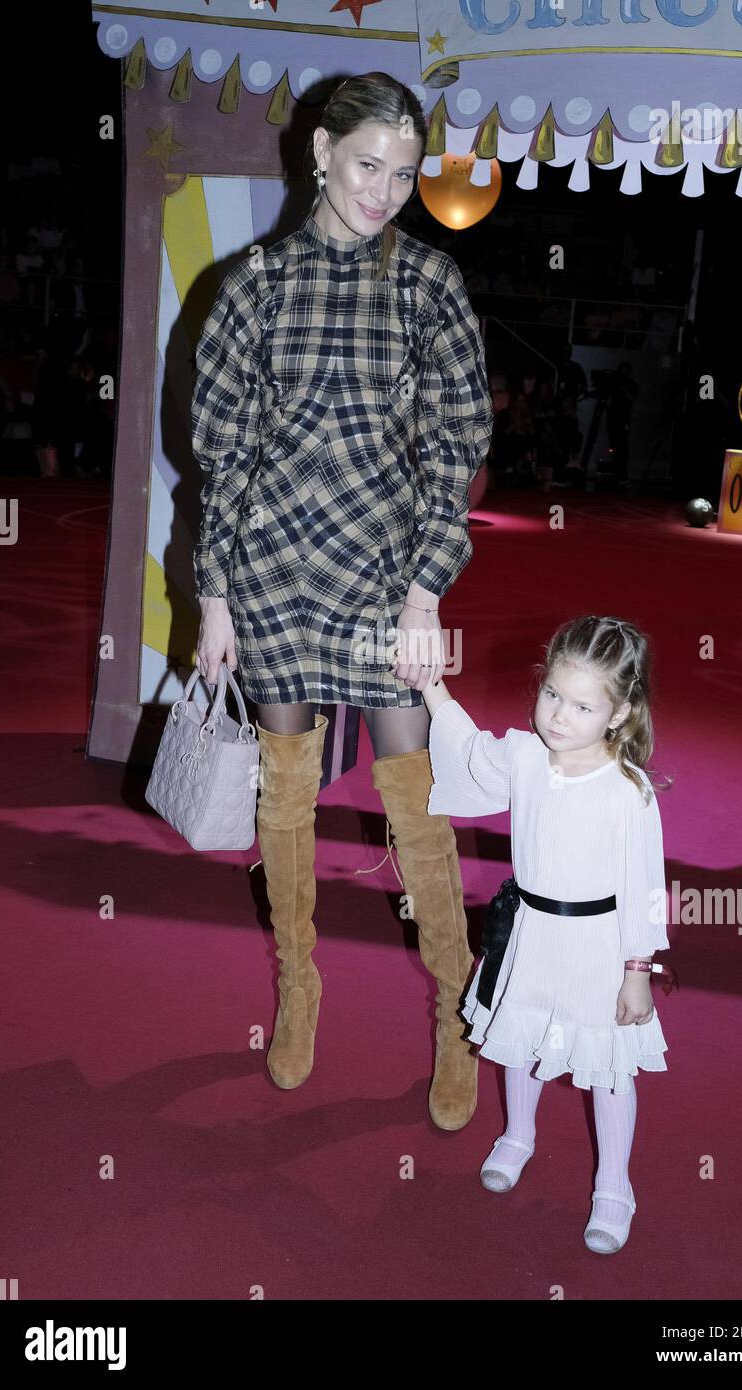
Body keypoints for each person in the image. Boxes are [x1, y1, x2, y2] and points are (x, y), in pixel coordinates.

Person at [191, 72, 493, 1129]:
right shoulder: (253, 284)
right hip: (273, 575)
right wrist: (215, 597)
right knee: (286, 798)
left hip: (381, 576)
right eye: (368, 164)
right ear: (320, 151)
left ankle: (457, 1016)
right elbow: (220, 458)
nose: (385, 190)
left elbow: (459, 445)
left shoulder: (428, 284)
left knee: (415, 807)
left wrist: (423, 592)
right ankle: (298, 984)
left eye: (404, 174)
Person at [418, 615, 674, 1253]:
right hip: (528, 931)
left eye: (584, 706)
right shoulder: (526, 754)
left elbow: (645, 884)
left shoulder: (628, 792)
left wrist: (637, 972)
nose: (560, 715)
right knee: (519, 1036)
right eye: (553, 694)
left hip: (598, 945)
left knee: (610, 1068)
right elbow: (472, 754)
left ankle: (615, 1185)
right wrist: (433, 691)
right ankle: (518, 1136)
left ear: (618, 715)